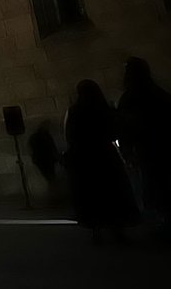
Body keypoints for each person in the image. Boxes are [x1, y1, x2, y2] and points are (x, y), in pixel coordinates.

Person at [64, 79, 138, 244]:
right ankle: (117, 232)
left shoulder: (75, 111)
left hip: (85, 160)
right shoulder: (103, 109)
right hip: (105, 157)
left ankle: (96, 233)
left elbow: (70, 136)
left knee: (92, 195)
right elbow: (114, 132)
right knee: (112, 193)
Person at [117, 57, 171, 231]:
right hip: (160, 145)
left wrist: (127, 150)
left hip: (147, 147)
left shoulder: (130, 97)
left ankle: (161, 221)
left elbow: (125, 126)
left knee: (152, 185)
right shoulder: (158, 92)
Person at [28, 121, 61, 199]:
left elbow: (32, 149)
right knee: (51, 180)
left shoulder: (34, 137)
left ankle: (53, 198)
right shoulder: (45, 136)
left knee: (51, 180)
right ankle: (53, 198)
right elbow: (52, 148)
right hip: (46, 160)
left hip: (42, 161)